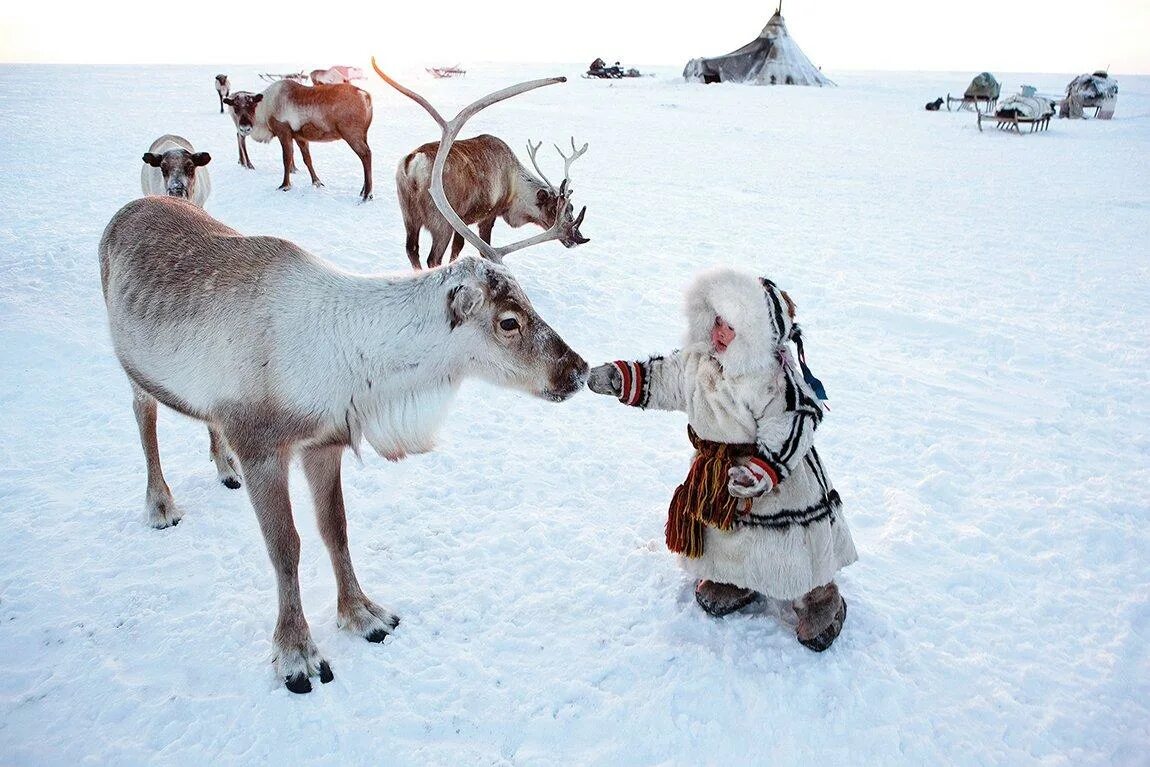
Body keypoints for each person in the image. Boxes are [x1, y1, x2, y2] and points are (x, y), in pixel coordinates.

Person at [586, 268, 857, 651]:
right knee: (728, 533)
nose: (717, 333)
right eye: (715, 321)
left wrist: (764, 469)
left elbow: (793, 423)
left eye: (728, 326)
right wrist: (624, 379)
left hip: (780, 478)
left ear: (754, 330)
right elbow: (665, 378)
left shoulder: (772, 376)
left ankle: (819, 596)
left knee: (791, 546)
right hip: (720, 476)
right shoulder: (698, 362)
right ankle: (736, 577)